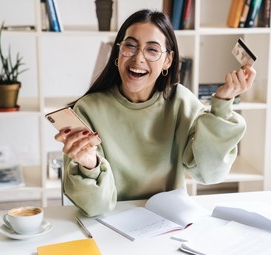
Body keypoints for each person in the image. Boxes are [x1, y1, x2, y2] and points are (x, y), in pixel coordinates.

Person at [55, 9, 256, 217]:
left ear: (168, 60)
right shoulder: (87, 110)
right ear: (118, 52)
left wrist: (222, 103)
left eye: (152, 50)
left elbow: (210, 173)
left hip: (169, 225)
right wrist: (90, 164)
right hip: (111, 225)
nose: (138, 58)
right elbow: (96, 207)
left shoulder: (181, 102)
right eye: (130, 46)